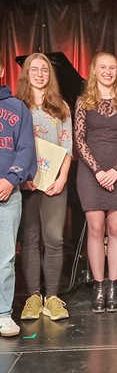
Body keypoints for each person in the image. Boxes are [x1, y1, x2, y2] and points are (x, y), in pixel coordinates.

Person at [75, 52, 117, 313]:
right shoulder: (83, 101)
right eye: (103, 67)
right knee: (96, 227)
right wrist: (99, 171)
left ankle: (113, 286)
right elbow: (79, 139)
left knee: (115, 227)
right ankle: (98, 286)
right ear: (94, 70)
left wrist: (115, 170)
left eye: (112, 67)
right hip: (90, 172)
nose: (108, 71)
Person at [17, 53, 72, 322]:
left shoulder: (60, 107)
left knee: (54, 238)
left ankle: (52, 297)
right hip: (26, 184)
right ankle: (32, 297)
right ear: (26, 73)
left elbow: (68, 147)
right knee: (29, 239)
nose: (40, 74)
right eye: (34, 69)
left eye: (45, 70)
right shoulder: (17, 107)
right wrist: (21, 177)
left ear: (50, 75)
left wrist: (62, 179)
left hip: (53, 185)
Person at [0, 56, 36, 336]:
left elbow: (26, 150)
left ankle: (2, 313)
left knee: (5, 257)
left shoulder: (17, 108)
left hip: (6, 193)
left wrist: (10, 180)